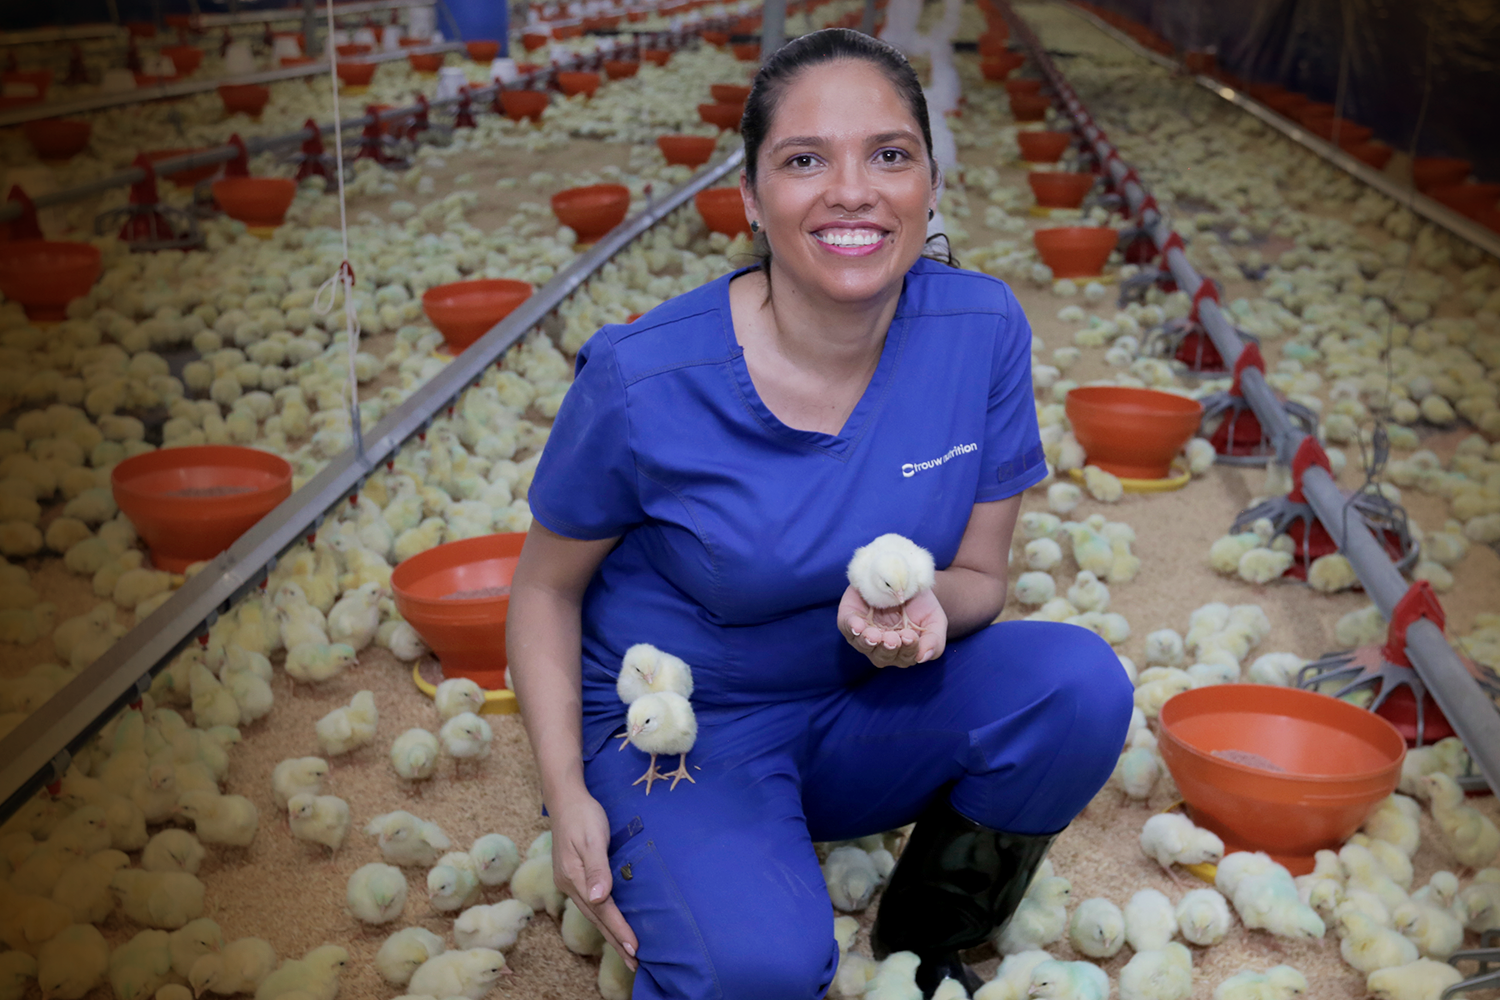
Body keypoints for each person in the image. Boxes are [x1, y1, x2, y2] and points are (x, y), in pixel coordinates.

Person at [507, 27, 1133, 1000]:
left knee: (1079, 689)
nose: (853, 189)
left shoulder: (983, 331)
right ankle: (720, 857)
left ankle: (927, 937)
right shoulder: (648, 380)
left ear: (930, 182)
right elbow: (545, 589)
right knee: (756, 971)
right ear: (752, 198)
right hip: (688, 727)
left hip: (867, 702)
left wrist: (931, 618)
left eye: (890, 154)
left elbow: (978, 578)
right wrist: (566, 791)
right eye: (806, 160)